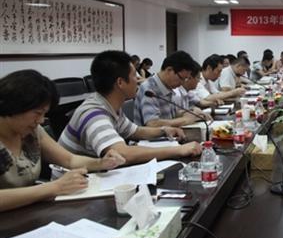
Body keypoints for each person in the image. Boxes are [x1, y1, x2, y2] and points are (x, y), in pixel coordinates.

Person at [0, 70, 125, 212]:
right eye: (37, 113)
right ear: (14, 105)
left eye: (44, 114)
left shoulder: (33, 131)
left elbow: (69, 160)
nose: (41, 120)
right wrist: (54, 187)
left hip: (27, 210)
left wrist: (101, 163)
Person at [59, 51, 202, 165]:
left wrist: (164, 130)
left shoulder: (110, 106)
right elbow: (122, 154)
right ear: (120, 82)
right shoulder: (94, 114)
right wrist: (178, 150)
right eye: (134, 76)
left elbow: (135, 131)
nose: (138, 81)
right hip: (73, 186)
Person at [134, 50, 201, 127]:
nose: (182, 83)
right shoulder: (149, 89)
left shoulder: (168, 86)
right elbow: (152, 123)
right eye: (181, 78)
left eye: (185, 79)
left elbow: (171, 116)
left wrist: (191, 113)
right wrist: (185, 120)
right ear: (169, 70)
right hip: (153, 134)